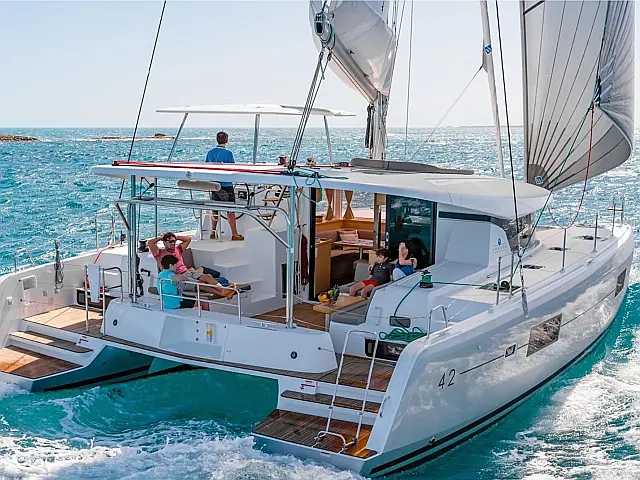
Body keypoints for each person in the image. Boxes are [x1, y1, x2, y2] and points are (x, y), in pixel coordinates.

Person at [148, 232, 236, 299]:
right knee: (201, 284)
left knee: (207, 276)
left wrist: (174, 236)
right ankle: (223, 293)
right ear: (164, 243)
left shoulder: (178, 249)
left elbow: (188, 239)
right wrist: (161, 238)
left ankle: (223, 289)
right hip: (178, 277)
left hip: (188, 272)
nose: (173, 243)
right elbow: (150, 243)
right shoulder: (159, 253)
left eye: (174, 241)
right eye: (170, 241)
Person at [206, 131, 244, 241]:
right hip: (226, 185)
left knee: (215, 209)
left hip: (214, 185)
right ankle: (234, 234)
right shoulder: (228, 154)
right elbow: (232, 169)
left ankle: (213, 232)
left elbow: (206, 167)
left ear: (216, 140)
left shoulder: (210, 153)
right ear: (226, 140)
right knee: (230, 210)